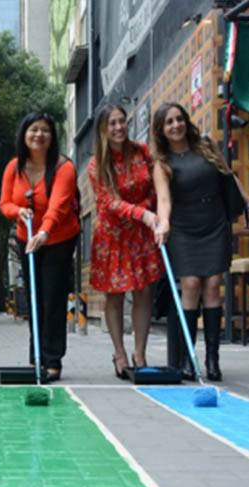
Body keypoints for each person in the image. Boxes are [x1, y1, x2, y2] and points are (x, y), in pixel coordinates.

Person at [152, 102, 249, 381]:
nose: (176, 125)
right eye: (169, 122)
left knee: (212, 285)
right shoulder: (162, 164)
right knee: (190, 284)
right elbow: (164, 200)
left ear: (186, 121)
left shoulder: (206, 146)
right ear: (161, 130)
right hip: (184, 228)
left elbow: (229, 176)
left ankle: (212, 359)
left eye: (179, 119)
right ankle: (188, 358)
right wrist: (163, 223)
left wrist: (248, 202)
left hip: (214, 223)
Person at [87, 104, 167, 380]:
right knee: (115, 294)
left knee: (144, 291)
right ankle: (119, 352)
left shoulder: (143, 152)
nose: (119, 127)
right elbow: (108, 202)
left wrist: (146, 210)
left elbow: (157, 188)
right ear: (102, 129)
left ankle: (140, 353)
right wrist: (142, 213)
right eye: (112, 123)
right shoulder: (96, 164)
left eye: (122, 121)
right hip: (113, 236)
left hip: (141, 234)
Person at [0, 112, 80, 382]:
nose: (39, 135)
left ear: (52, 136)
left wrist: (45, 231)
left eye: (45, 130)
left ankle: (53, 359)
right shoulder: (14, 167)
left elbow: (59, 205)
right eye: (33, 129)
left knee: (53, 298)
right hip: (28, 238)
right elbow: (4, 204)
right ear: (24, 134)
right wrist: (18, 211)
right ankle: (37, 357)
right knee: (35, 297)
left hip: (58, 238)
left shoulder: (64, 167)